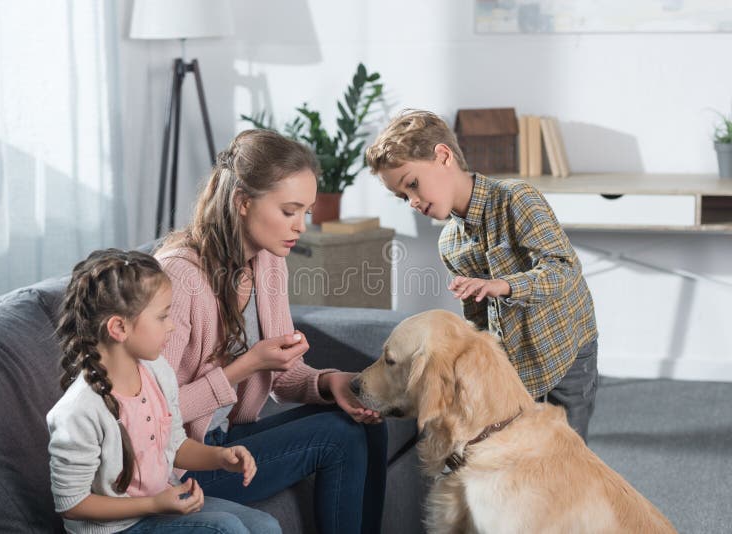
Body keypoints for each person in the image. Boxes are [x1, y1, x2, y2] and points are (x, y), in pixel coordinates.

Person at [155, 129, 388, 534]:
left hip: (229, 437)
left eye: (306, 212)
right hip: (179, 462)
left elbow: (284, 378)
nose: (300, 226)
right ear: (243, 203)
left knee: (370, 423)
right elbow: (153, 411)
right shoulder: (178, 276)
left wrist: (331, 381)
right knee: (337, 436)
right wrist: (246, 365)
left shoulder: (268, 261)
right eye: (289, 211)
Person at [365, 110, 599, 441]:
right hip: (516, 366)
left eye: (413, 184)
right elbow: (478, 319)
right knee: (521, 450)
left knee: (570, 448)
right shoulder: (450, 243)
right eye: (404, 197)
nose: (413, 202)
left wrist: (501, 286)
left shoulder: (517, 199)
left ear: (443, 156)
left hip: (568, 349)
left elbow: (563, 269)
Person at [46, 249, 281, 534]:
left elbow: (176, 446)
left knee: (265, 526)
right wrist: (154, 504)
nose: (171, 326)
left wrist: (220, 457)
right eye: (162, 317)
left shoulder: (158, 371)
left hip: (157, 507)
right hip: (116, 527)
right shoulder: (79, 410)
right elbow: (72, 503)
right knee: (225, 530)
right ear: (119, 327)